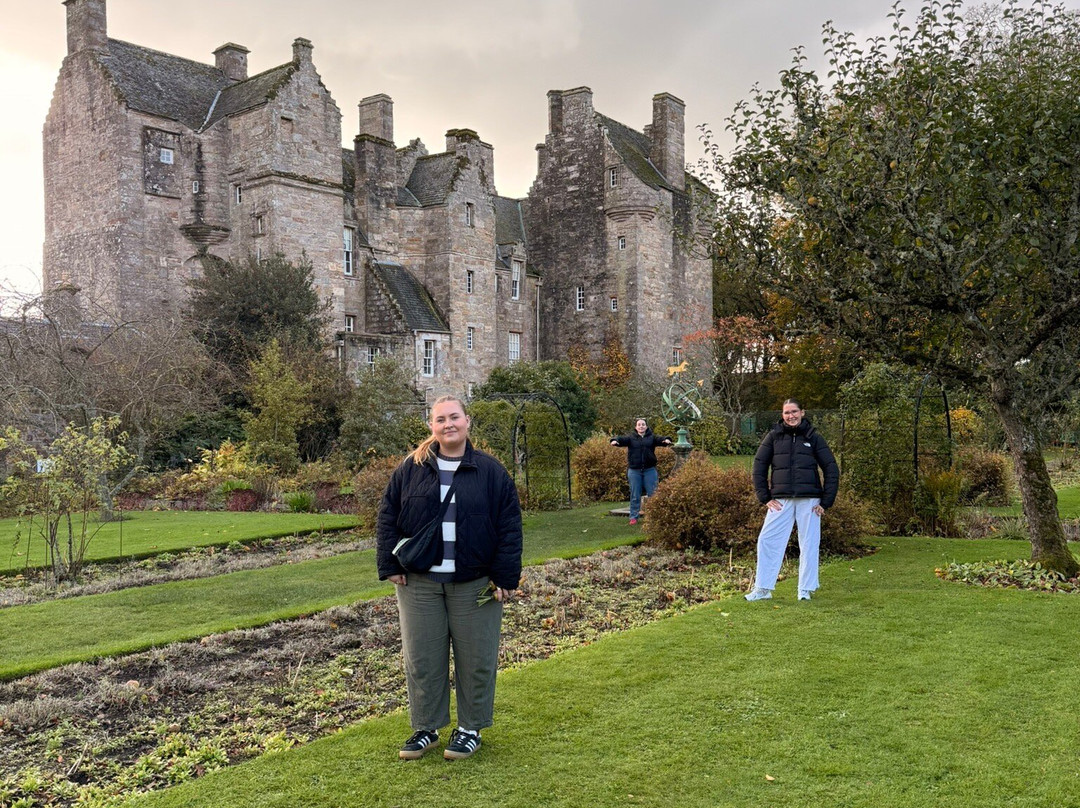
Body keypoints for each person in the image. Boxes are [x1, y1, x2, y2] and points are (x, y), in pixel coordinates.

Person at [376, 395, 523, 761]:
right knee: (422, 658)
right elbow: (387, 517)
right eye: (440, 420)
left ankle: (470, 729)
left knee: (477, 658)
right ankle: (426, 728)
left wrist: (505, 576)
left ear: (467, 421)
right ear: (431, 426)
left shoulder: (491, 472)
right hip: (419, 583)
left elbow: (509, 527)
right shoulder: (411, 468)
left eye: (454, 417)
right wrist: (389, 564)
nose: (448, 425)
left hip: (474, 582)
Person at [745, 398, 839, 602]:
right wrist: (765, 497)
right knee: (767, 540)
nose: (791, 416)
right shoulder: (773, 437)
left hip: (810, 500)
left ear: (802, 412)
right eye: (787, 412)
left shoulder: (813, 437)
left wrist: (825, 502)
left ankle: (805, 590)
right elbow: (758, 467)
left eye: (794, 411)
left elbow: (831, 468)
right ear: (782, 415)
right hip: (780, 500)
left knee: (809, 544)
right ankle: (763, 589)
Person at [610, 418, 673, 525]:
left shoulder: (651, 437)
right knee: (635, 494)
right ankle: (634, 517)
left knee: (653, 494)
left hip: (650, 470)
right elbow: (621, 439)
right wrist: (614, 441)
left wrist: (666, 440)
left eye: (643, 424)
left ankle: (655, 516)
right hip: (634, 471)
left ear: (646, 427)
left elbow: (660, 439)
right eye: (639, 425)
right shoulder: (631, 438)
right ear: (636, 427)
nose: (641, 426)